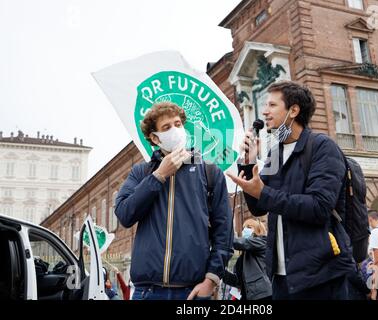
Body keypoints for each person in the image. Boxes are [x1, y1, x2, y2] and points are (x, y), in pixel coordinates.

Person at [227, 80, 355, 300]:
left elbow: (318, 207)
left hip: (320, 277)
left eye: (272, 105)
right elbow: (258, 207)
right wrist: (248, 164)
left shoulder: (322, 147)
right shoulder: (275, 152)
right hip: (281, 279)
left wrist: (263, 192)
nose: (264, 112)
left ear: (294, 110)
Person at [115, 102, 233, 300]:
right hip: (147, 292)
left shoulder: (210, 172)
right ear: (155, 138)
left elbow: (224, 232)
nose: (175, 130)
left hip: (193, 291)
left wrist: (211, 280)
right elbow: (125, 214)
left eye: (178, 124)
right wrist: (158, 176)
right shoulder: (141, 172)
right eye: (167, 127)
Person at [222, 218, 272, 300]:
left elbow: (242, 243)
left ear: (258, 230)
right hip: (249, 295)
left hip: (263, 294)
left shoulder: (262, 242)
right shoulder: (242, 258)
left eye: (249, 227)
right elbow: (238, 282)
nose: (245, 230)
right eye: (244, 227)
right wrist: (223, 273)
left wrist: (221, 237)